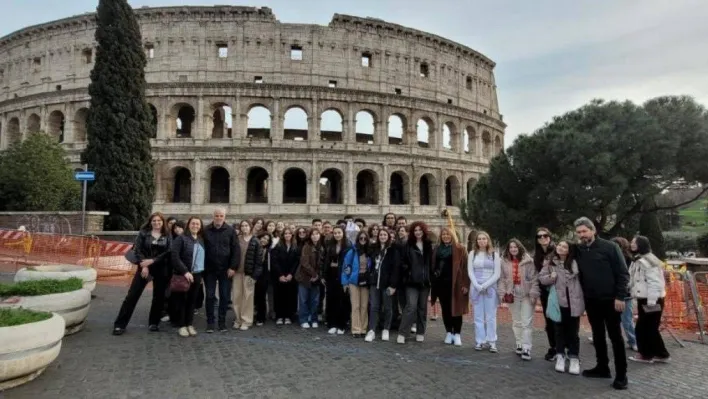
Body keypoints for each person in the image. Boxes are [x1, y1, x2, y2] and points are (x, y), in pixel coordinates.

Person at [574, 217, 629, 390]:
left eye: (584, 231)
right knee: (598, 335)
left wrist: (620, 297)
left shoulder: (610, 247)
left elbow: (623, 273)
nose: (582, 235)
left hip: (611, 300)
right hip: (591, 300)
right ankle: (602, 367)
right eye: (579, 233)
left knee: (616, 338)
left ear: (593, 231)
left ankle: (622, 375)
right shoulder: (580, 250)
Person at [112, 212, 171, 335]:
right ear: (150, 222)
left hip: (160, 268)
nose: (156, 223)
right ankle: (120, 324)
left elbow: (168, 251)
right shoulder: (143, 233)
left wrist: (153, 261)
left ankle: (154, 323)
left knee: (159, 297)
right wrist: (143, 265)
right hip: (143, 267)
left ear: (162, 222)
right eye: (154, 221)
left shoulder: (167, 234)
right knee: (132, 296)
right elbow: (137, 250)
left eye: (159, 221)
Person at [539, 240, 584, 375]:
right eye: (559, 245)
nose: (560, 248)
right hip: (558, 302)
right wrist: (551, 277)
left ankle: (574, 357)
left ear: (569, 250)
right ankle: (560, 355)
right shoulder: (550, 262)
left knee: (573, 332)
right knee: (558, 330)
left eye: (564, 247)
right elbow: (542, 278)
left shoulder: (576, 263)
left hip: (574, 301)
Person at [628, 235, 670, 364]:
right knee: (651, 328)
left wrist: (651, 302)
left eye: (634, 242)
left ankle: (646, 354)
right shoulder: (639, 260)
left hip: (651, 299)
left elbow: (654, 282)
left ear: (641, 244)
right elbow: (634, 279)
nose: (631, 244)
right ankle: (661, 354)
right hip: (646, 298)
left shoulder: (647, 261)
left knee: (643, 328)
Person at [499, 238, 539, 360]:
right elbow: (501, 279)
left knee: (526, 322)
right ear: (508, 249)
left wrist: (533, 293)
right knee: (516, 321)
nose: (513, 249)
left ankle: (527, 348)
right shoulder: (504, 262)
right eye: (511, 247)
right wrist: (502, 293)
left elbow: (534, 278)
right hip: (512, 294)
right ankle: (519, 343)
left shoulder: (529, 261)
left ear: (520, 247)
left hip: (526, 294)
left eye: (515, 247)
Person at [203, 208, 240, 333]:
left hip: (226, 270)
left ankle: (222, 322)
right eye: (217, 215)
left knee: (224, 297)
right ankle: (210, 322)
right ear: (213, 216)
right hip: (210, 270)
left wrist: (233, 267)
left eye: (221, 215)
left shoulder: (230, 231)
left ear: (225, 217)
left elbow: (236, 250)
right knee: (210, 296)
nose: (219, 218)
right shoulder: (206, 230)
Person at [432, 227, 470, 346]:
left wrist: (465, 283)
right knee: (446, 309)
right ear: (440, 237)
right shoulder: (437, 249)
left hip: (456, 283)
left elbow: (465, 268)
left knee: (457, 309)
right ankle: (449, 332)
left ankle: (457, 333)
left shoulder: (460, 249)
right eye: (443, 234)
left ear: (452, 236)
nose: (445, 236)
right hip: (441, 283)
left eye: (448, 234)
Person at [397, 222, 433, 344]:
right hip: (411, 281)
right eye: (415, 230)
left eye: (420, 230)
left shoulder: (429, 245)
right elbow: (402, 262)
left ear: (424, 231)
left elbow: (432, 263)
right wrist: (408, 271)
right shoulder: (408, 245)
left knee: (422, 308)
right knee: (410, 307)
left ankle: (420, 332)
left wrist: (431, 275)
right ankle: (403, 332)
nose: (418, 232)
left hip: (425, 282)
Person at [171, 216, 205, 337]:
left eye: (197, 224)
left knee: (192, 301)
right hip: (184, 274)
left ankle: (189, 324)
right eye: (193, 223)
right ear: (188, 225)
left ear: (200, 226)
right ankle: (182, 325)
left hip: (196, 274)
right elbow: (174, 256)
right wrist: (185, 271)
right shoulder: (181, 238)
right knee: (182, 300)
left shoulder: (200, 239)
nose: (195, 226)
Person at [468, 231, 501, 352]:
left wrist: (485, 285)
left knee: (491, 316)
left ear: (488, 240)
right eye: (479, 239)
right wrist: (477, 285)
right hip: (476, 288)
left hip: (490, 289)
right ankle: (480, 341)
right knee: (478, 316)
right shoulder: (472, 254)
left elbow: (497, 274)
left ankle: (492, 341)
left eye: (484, 239)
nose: (481, 241)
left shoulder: (494, 255)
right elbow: (470, 271)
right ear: (476, 241)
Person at [365, 228, 399, 342]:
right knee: (374, 307)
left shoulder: (393, 250)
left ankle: (386, 329)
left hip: (387, 284)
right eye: (381, 235)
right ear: (378, 236)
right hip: (375, 282)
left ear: (388, 237)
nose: (383, 236)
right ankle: (372, 330)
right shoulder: (374, 249)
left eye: (385, 235)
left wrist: (393, 285)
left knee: (388, 307)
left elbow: (396, 268)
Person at [232, 220, 262, 331]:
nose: (244, 228)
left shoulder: (256, 241)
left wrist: (255, 276)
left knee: (248, 297)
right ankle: (238, 319)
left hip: (249, 273)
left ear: (250, 227)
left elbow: (259, 261)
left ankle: (246, 321)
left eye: (246, 225)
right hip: (237, 272)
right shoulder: (236, 239)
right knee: (236, 296)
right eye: (242, 226)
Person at [534, 227, 557, 361]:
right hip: (544, 292)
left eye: (545, 235)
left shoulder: (556, 251)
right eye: (539, 236)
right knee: (549, 320)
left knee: (557, 320)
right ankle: (553, 346)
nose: (542, 238)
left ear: (550, 237)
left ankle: (562, 347)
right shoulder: (537, 254)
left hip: (556, 291)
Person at [342, 231, 371, 338]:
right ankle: (356, 329)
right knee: (355, 306)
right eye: (361, 238)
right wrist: (345, 282)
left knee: (364, 306)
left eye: (365, 238)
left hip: (366, 282)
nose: (363, 240)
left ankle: (363, 328)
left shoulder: (370, 252)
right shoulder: (352, 252)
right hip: (354, 281)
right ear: (358, 239)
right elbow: (346, 267)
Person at [296, 228, 325, 328]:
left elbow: (322, 263)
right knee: (303, 299)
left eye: (317, 234)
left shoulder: (321, 247)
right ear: (310, 236)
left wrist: (317, 275)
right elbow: (304, 263)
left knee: (315, 300)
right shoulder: (306, 246)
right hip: (304, 277)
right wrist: (314, 274)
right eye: (313, 234)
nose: (315, 236)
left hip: (316, 278)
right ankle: (303, 319)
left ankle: (314, 319)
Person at [325, 226, 351, 335]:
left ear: (343, 233)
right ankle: (332, 323)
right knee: (331, 300)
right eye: (335, 233)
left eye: (339, 232)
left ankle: (342, 324)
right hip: (331, 276)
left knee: (343, 301)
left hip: (343, 276)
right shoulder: (330, 245)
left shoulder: (348, 246)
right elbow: (326, 261)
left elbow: (349, 263)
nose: (337, 235)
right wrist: (324, 275)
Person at [272, 227, 300, 324]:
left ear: (292, 235)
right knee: (279, 296)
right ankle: (279, 316)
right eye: (285, 233)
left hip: (291, 276)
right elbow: (274, 261)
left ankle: (289, 316)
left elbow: (297, 262)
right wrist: (280, 275)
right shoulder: (278, 246)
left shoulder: (295, 246)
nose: (287, 235)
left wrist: (291, 274)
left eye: (289, 233)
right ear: (283, 235)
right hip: (279, 275)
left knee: (290, 296)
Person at [254, 232, 272, 326]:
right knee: (253, 297)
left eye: (267, 239)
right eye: (263, 238)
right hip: (252, 275)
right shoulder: (253, 247)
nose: (264, 240)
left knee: (261, 297)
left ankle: (261, 317)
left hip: (263, 277)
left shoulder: (268, 251)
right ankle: (253, 314)